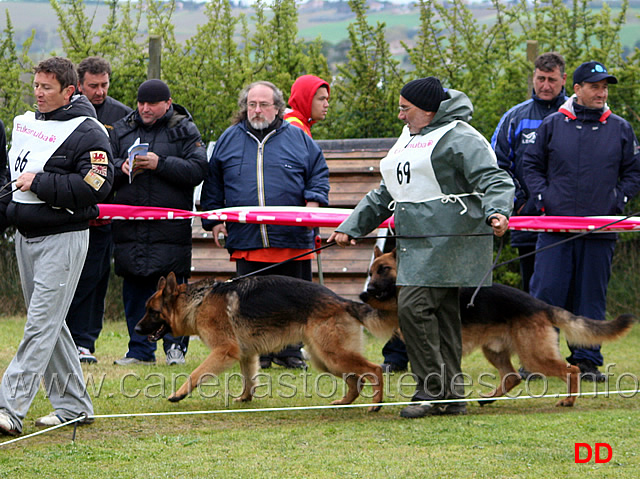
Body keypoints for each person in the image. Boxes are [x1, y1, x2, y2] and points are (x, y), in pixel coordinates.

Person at [328, 77, 514, 418]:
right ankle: (452, 395)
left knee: (412, 308)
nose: (400, 115)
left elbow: (495, 179)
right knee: (442, 318)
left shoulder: (460, 137)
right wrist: (351, 226)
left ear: (427, 110)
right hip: (414, 245)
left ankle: (430, 391)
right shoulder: (409, 138)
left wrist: (498, 210)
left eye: (405, 108)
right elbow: (387, 193)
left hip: (450, 243)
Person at [0, 56, 114, 436]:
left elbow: (97, 184)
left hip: (64, 237)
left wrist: (42, 183)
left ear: (69, 91)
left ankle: (8, 407)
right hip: (25, 236)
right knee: (51, 325)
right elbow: (15, 176)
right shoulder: (27, 125)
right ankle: (74, 406)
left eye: (46, 88)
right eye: (36, 86)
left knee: (39, 324)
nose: (38, 94)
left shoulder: (90, 131)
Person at [523, 61, 640, 382]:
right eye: (594, 86)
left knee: (591, 295)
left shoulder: (620, 127)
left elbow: (634, 172)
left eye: (604, 87)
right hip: (555, 228)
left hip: (601, 228)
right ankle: (537, 359)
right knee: (546, 293)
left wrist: (619, 200)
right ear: (576, 89)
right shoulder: (552, 124)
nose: (601, 92)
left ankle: (588, 360)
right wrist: (544, 199)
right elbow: (530, 165)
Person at [200, 80, 330, 370]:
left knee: (295, 298)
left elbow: (318, 174)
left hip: (292, 238)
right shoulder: (228, 139)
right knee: (252, 302)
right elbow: (214, 185)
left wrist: (314, 203)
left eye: (263, 105)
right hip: (247, 239)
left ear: (278, 108)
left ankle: (290, 352)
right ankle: (262, 353)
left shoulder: (299, 139)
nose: (257, 110)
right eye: (251, 105)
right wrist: (215, 221)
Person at [110, 79, 207, 366]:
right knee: (134, 291)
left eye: (151, 103)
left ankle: (175, 348)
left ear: (167, 103)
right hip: (130, 229)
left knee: (174, 294)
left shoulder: (185, 129)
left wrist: (159, 163)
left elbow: (199, 169)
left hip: (170, 231)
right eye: (141, 103)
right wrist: (121, 167)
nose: (144, 108)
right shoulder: (122, 128)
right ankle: (138, 351)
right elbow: (103, 164)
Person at [64, 56, 133, 364]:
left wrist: (118, 167)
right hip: (68, 211)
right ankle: (61, 336)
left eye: (105, 85)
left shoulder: (121, 115)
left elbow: (122, 159)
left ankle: (85, 342)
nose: (100, 91)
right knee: (69, 277)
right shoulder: (64, 112)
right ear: (78, 85)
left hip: (103, 213)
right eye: (93, 86)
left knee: (96, 278)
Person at [491, 52, 567, 293]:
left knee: (570, 297)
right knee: (534, 295)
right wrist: (521, 202)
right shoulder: (514, 118)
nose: (545, 86)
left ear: (564, 79)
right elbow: (497, 166)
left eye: (552, 80)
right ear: (533, 77)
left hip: (570, 219)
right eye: (540, 78)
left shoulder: (577, 115)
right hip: (529, 220)